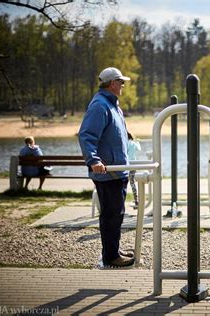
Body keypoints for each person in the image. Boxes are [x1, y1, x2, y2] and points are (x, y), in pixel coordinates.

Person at [78, 67, 135, 268]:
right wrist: (93, 160)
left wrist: (125, 135)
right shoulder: (99, 106)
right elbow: (86, 135)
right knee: (111, 215)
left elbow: (110, 130)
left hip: (117, 170)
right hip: (108, 172)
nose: (123, 86)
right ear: (112, 83)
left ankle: (114, 249)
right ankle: (111, 257)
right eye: (121, 82)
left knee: (117, 214)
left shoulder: (113, 105)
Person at [127, 131, 141, 209]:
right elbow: (139, 149)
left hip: (126, 165)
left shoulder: (126, 143)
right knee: (132, 182)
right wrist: (137, 141)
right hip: (133, 165)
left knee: (124, 182)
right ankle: (136, 199)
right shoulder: (134, 143)